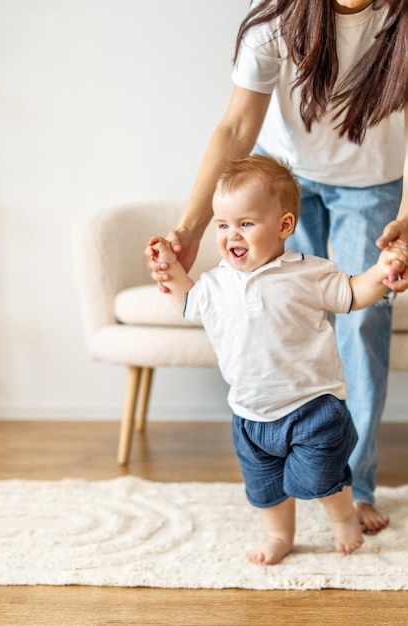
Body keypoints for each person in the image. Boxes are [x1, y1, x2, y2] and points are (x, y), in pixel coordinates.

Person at [147, 0, 408, 535]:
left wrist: (407, 221)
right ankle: (290, 479)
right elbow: (237, 124)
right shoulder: (275, 18)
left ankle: (350, 485)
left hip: (372, 179)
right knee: (281, 308)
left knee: (362, 318)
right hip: (281, 176)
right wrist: (194, 228)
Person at [147, 154, 408, 565]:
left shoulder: (308, 273)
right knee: (265, 487)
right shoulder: (216, 284)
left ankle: (343, 520)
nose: (232, 234)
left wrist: (381, 271)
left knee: (318, 477)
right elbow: (189, 302)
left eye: (246, 223)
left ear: (284, 226)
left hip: (313, 408)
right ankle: (279, 536)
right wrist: (168, 269)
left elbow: (354, 294)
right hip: (249, 413)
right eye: (223, 224)